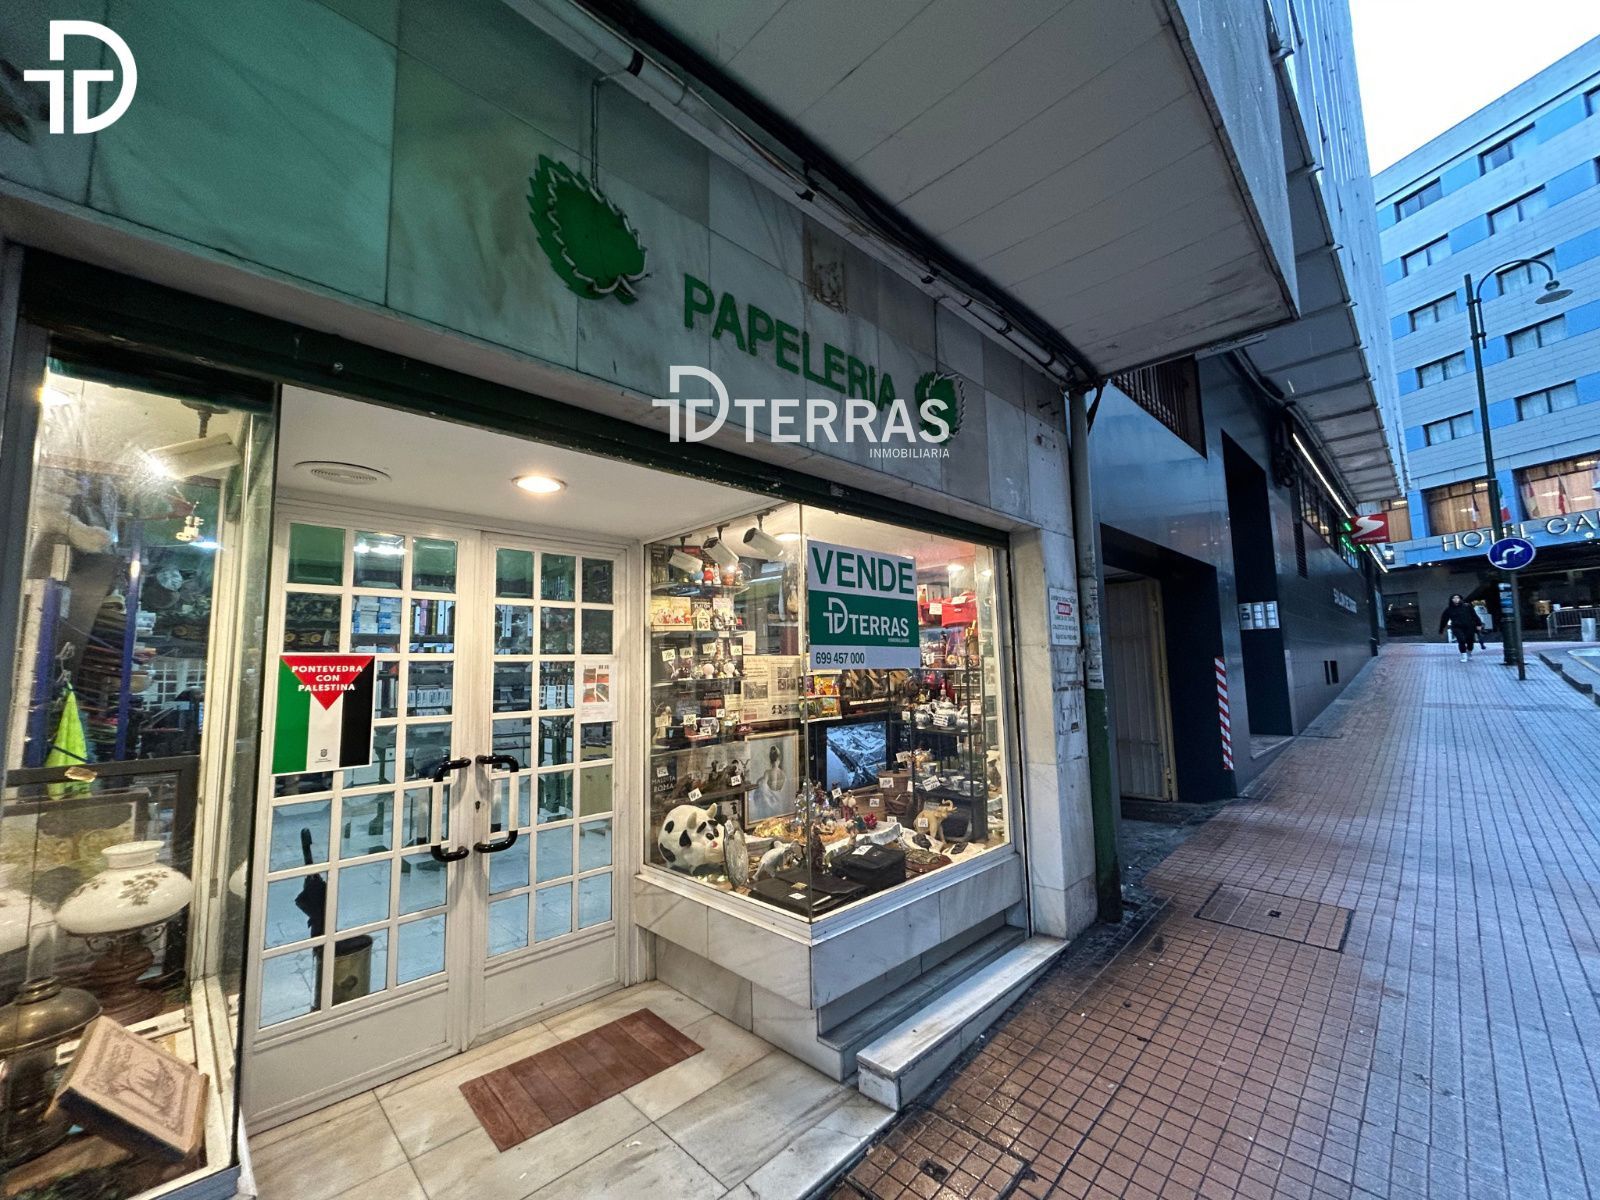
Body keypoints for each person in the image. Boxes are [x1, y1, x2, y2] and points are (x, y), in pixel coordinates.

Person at [1439, 594, 1483, 662]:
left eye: (1457, 598)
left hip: (1469, 626)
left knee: (1470, 641)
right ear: (1451, 600)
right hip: (1457, 627)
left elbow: (1474, 615)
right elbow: (1444, 619)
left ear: (1460, 599)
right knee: (1461, 640)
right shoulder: (1449, 609)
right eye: (1454, 598)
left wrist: (1479, 624)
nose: (1456, 599)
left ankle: (1469, 653)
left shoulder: (1467, 606)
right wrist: (1441, 629)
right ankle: (1464, 655)